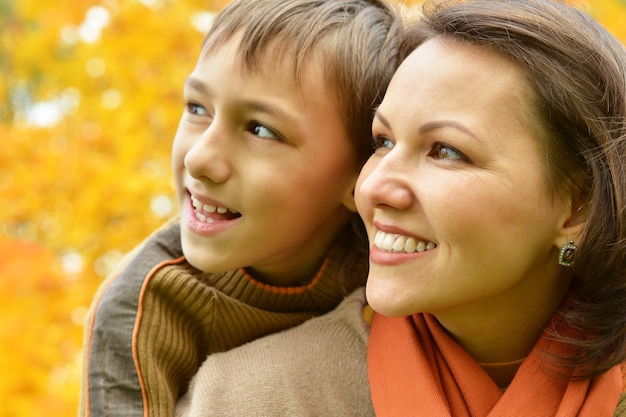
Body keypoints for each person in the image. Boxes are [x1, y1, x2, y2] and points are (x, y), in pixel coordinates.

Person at [172, 0, 626, 416]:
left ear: (577, 210)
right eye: (382, 141)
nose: (374, 189)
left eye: (446, 151)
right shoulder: (251, 397)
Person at [78, 0, 402, 416]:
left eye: (261, 130)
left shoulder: (395, 260)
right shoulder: (142, 308)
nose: (198, 158)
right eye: (197, 108)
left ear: (361, 175)